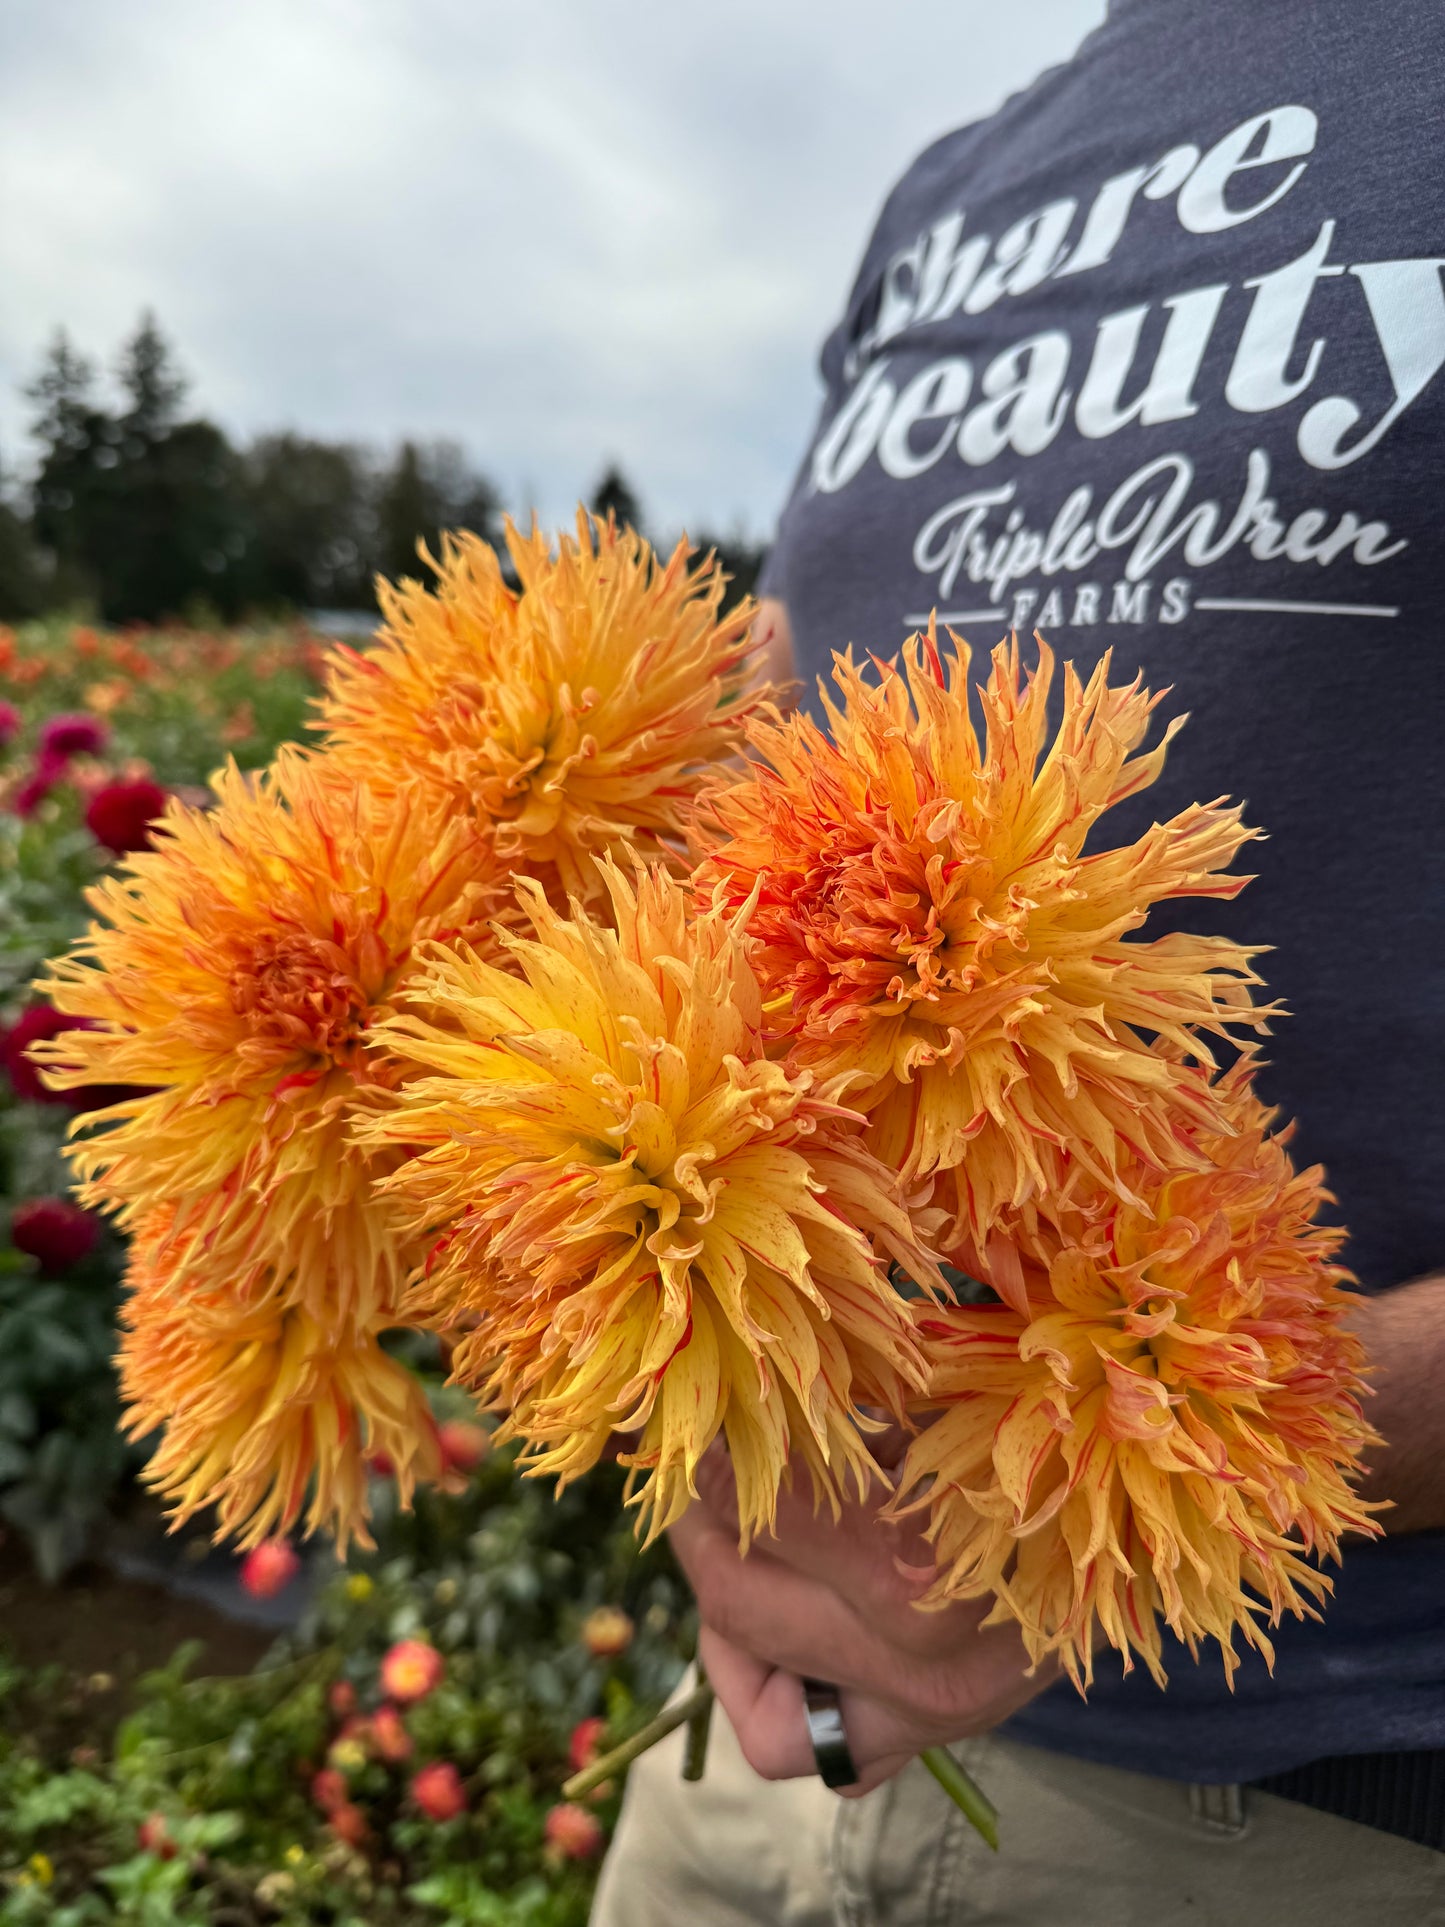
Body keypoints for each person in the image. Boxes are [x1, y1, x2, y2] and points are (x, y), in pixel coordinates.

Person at [591, 1, 1445, 1920]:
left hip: (1321, 1810)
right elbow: (770, 744)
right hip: (751, 1761)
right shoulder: (952, 185)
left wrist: (1105, 1461)